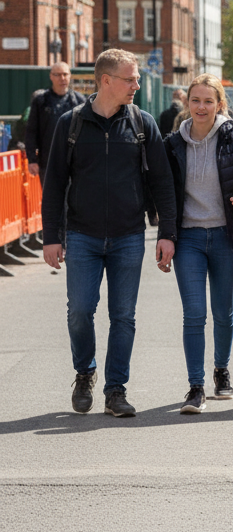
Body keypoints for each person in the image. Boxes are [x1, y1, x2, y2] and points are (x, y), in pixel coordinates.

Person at [41, 48, 177, 417]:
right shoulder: (71, 124)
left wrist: (167, 232)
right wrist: (50, 236)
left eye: (135, 78)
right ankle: (85, 373)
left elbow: (163, 182)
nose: (136, 84)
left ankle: (115, 390)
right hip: (82, 236)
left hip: (129, 235)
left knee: (124, 316)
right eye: (129, 78)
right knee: (80, 312)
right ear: (106, 80)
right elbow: (53, 184)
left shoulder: (142, 123)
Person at [164, 75, 233, 414]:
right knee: (194, 313)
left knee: (223, 312)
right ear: (187, 104)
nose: (202, 107)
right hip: (189, 236)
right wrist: (165, 234)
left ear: (220, 104)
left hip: (226, 235)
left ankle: (221, 370)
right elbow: (164, 193)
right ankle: (195, 387)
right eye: (196, 100)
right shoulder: (173, 143)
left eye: (209, 101)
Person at [24, 62, 85, 179]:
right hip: (47, 161)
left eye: (65, 74)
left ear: (70, 76)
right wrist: (32, 159)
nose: (62, 78)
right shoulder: (41, 101)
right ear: (51, 76)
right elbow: (31, 131)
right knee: (51, 197)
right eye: (57, 75)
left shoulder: (79, 101)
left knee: (72, 196)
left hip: (74, 162)